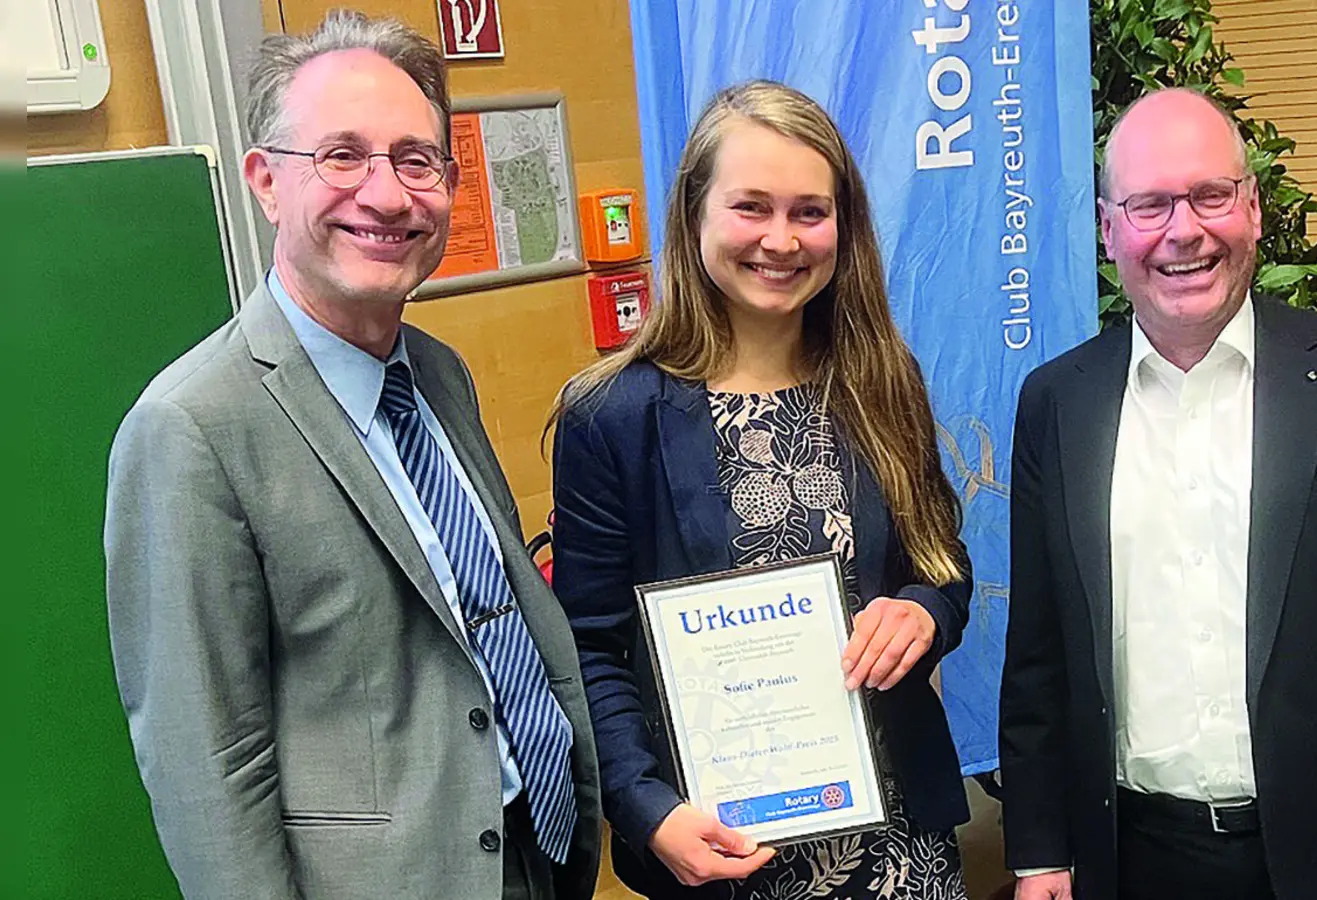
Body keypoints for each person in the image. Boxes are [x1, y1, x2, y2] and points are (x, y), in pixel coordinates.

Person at [103, 12, 600, 899]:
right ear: (264, 182)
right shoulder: (190, 429)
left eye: (416, 161)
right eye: (342, 156)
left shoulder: (438, 373)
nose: (387, 194)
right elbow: (204, 762)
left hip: (533, 857)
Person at [999, 88, 1317, 900]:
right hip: (1130, 855)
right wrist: (1040, 849)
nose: (1183, 231)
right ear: (1109, 230)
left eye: (1209, 195)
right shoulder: (1057, 402)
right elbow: (1039, 653)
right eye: (1149, 205)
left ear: (1252, 210)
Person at [547, 80, 973, 899]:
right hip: (720, 855)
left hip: (902, 853)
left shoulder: (882, 380)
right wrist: (646, 810)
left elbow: (942, 562)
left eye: (810, 212)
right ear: (695, 215)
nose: (781, 239)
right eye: (752, 207)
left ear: (843, 229)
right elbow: (586, 649)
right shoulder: (611, 416)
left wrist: (923, 609)